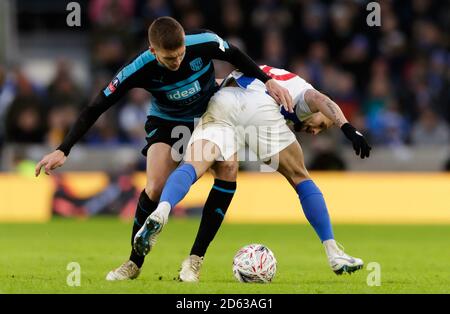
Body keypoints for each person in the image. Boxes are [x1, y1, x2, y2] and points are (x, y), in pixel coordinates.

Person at [34, 17, 293, 281]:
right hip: (168, 121)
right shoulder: (138, 68)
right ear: (152, 51)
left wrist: (268, 80)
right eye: (170, 59)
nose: (177, 62)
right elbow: (97, 106)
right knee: (155, 187)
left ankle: (195, 260)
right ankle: (133, 263)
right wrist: (63, 149)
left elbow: (236, 55)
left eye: (180, 55)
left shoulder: (203, 42)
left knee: (228, 169)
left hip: (209, 114)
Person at [132, 65, 371, 282]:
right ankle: (334, 253)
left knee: (192, 166)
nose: (316, 130)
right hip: (260, 107)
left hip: (223, 101)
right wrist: (347, 128)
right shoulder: (300, 88)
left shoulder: (260, 72)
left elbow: (213, 83)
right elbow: (319, 99)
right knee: (300, 177)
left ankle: (163, 209)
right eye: (322, 124)